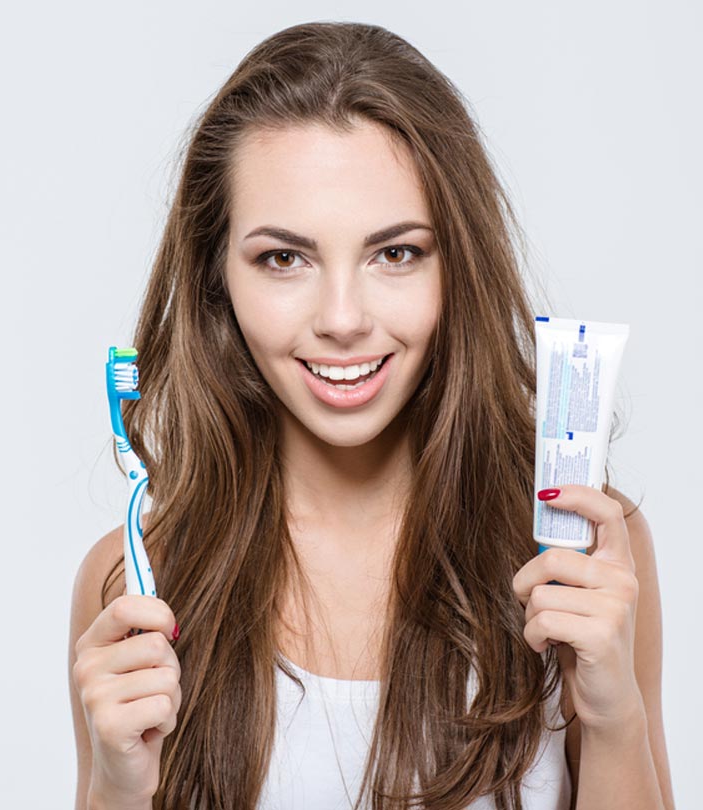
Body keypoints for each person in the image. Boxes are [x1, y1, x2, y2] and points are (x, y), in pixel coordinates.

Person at [68, 21, 674, 810]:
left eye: (396, 253)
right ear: (219, 280)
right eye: (284, 258)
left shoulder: (580, 556)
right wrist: (118, 786)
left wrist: (614, 716)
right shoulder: (135, 580)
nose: (343, 319)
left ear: (456, 263)